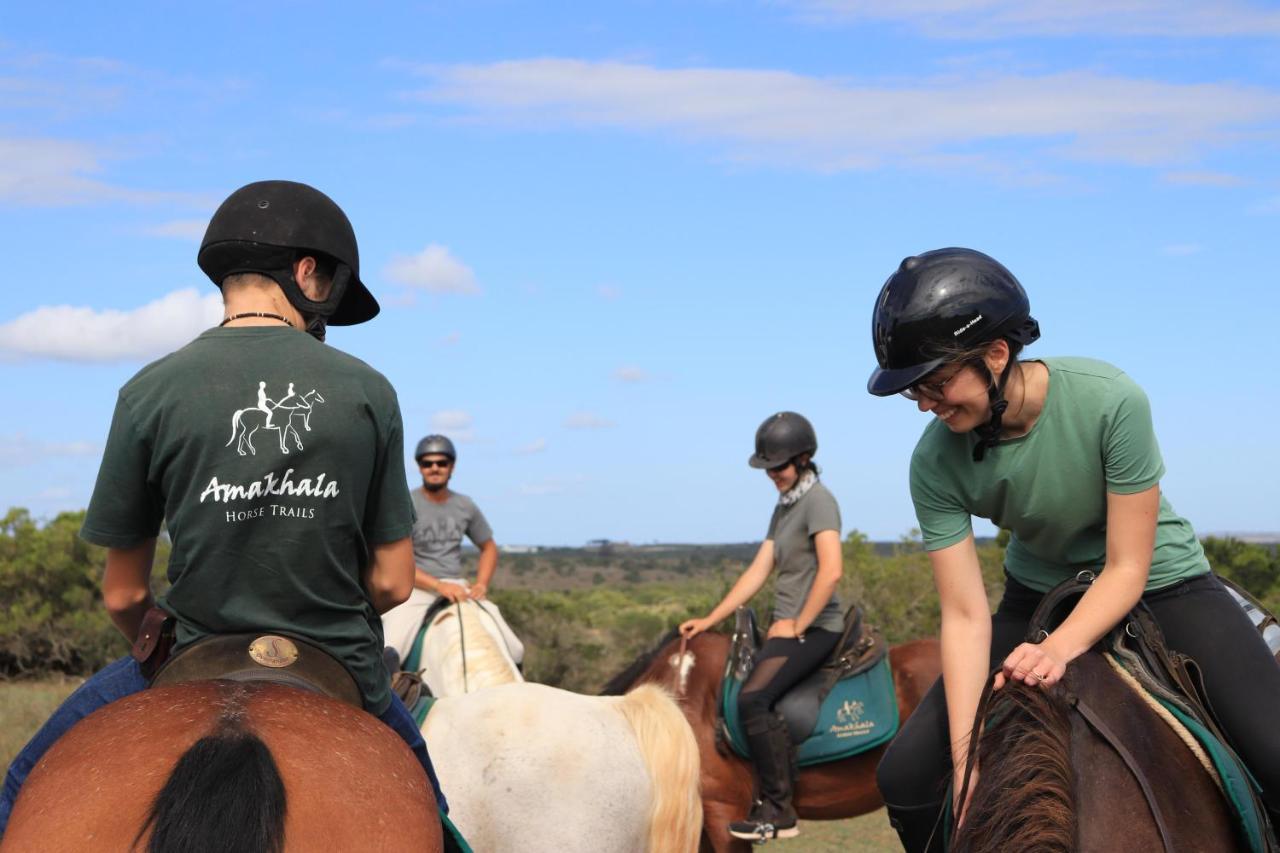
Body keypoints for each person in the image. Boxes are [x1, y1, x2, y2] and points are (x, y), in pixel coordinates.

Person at [0, 180, 448, 836]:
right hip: (337, 660)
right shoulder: (367, 392)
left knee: (19, 789)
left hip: (193, 650)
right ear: (306, 273)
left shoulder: (148, 390)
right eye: (330, 288)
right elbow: (393, 582)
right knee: (436, 817)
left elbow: (123, 594)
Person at [865, 247, 1280, 852]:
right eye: (914, 393)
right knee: (903, 776)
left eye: (936, 383)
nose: (927, 404)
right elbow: (963, 613)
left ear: (997, 354)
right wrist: (962, 761)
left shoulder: (1111, 400)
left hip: (1164, 583)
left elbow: (1128, 567)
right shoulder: (932, 461)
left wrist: (1058, 649)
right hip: (1035, 593)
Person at [680, 411, 844, 842]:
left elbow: (831, 571)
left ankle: (778, 807)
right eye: (768, 468)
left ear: (804, 459)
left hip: (819, 626)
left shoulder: (819, 500)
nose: (773, 474)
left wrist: (798, 625)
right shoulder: (785, 505)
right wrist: (710, 619)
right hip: (790, 627)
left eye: (780, 466)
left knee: (754, 698)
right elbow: (758, 571)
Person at [381, 434, 524, 678]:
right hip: (414, 590)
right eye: (428, 463)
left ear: (452, 466)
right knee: (390, 651)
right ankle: (378, 710)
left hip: (456, 588)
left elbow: (488, 546)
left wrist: (481, 584)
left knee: (515, 648)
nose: (434, 468)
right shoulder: (405, 503)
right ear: (419, 467)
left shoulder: (465, 505)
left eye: (441, 463)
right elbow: (395, 559)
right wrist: (437, 585)